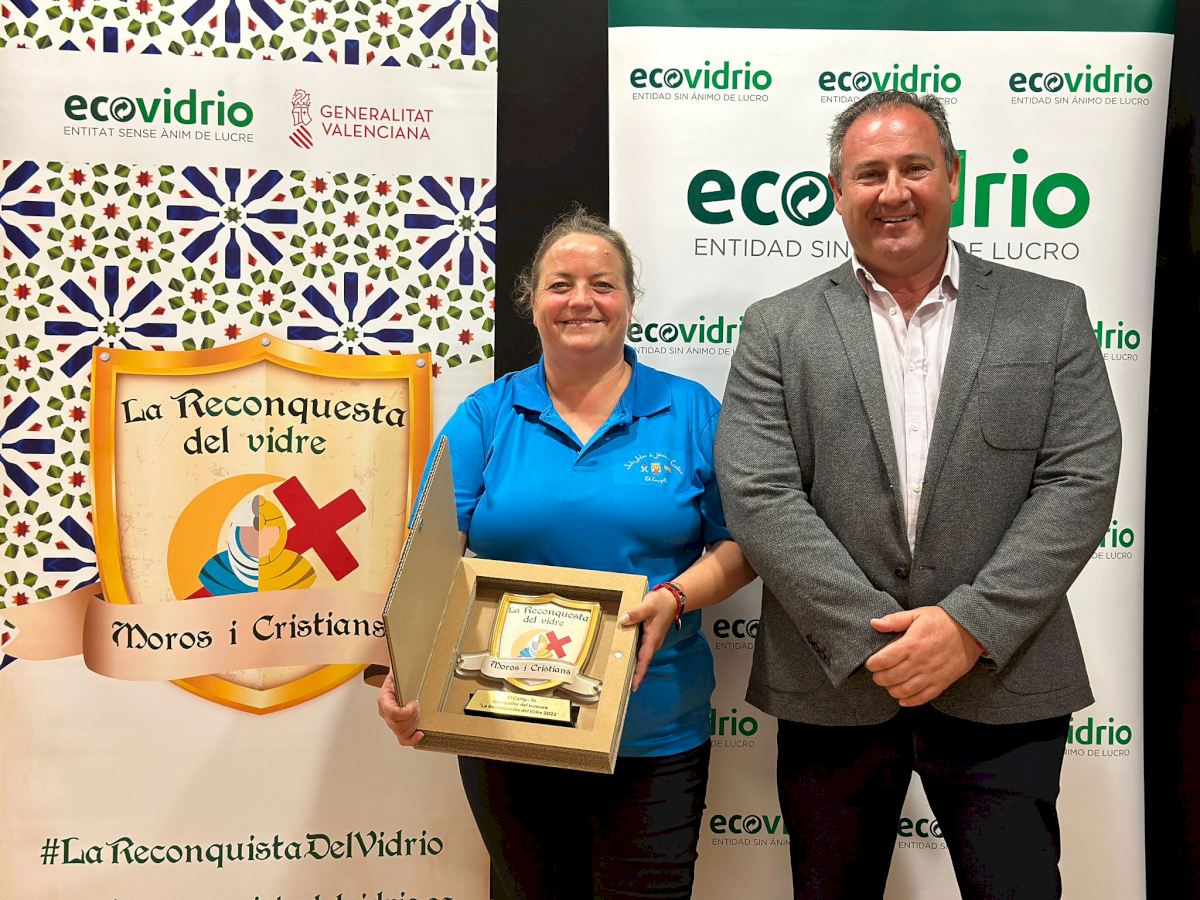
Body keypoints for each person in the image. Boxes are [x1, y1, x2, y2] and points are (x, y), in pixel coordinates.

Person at [714, 91, 1121, 899]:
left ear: (954, 177)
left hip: (1002, 681)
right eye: (870, 174)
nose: (893, 191)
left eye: (915, 168)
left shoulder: (1051, 313)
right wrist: (872, 639)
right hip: (835, 685)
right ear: (837, 191)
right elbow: (759, 494)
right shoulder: (776, 327)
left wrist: (968, 627)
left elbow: (1079, 480)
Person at [378, 208, 755, 899]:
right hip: (503, 723)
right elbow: (426, 563)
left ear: (631, 302)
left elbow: (742, 546)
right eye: (561, 284)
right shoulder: (487, 415)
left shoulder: (691, 411)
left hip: (651, 728)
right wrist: (402, 674)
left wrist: (676, 596)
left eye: (603, 284)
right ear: (532, 303)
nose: (582, 299)